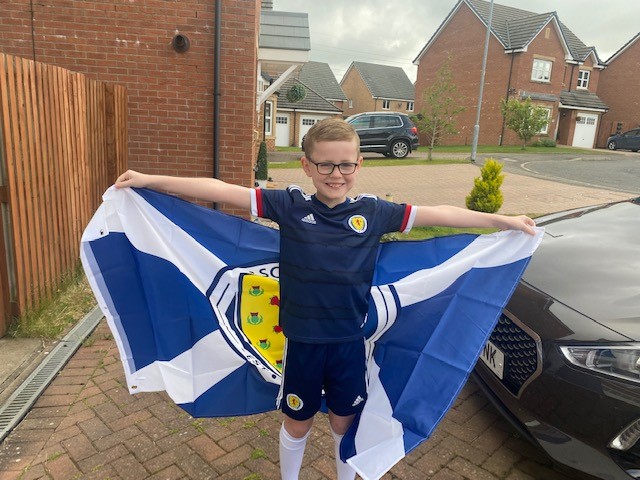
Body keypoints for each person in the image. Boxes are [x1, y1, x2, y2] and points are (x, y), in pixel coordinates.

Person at [115, 117, 536, 480]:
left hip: (349, 344)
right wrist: (148, 181)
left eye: (346, 164)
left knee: (342, 421)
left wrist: (502, 220)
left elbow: (440, 214)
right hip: (300, 343)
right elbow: (220, 190)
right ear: (307, 165)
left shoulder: (375, 212)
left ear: (359, 164)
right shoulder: (288, 204)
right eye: (326, 164)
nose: (336, 173)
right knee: (296, 423)